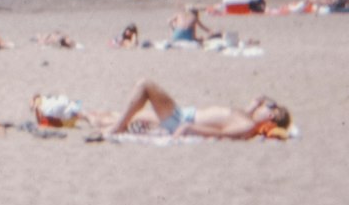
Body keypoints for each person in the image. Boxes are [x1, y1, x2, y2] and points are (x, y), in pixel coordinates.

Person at [107, 79, 291, 139]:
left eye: (269, 109)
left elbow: (221, 133)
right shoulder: (247, 117)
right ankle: (102, 120)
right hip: (182, 117)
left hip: (181, 119)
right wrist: (259, 103)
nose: (263, 106)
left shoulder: (247, 126)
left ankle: (117, 128)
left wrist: (188, 128)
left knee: (145, 84)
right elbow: (252, 105)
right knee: (129, 115)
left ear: (270, 119)